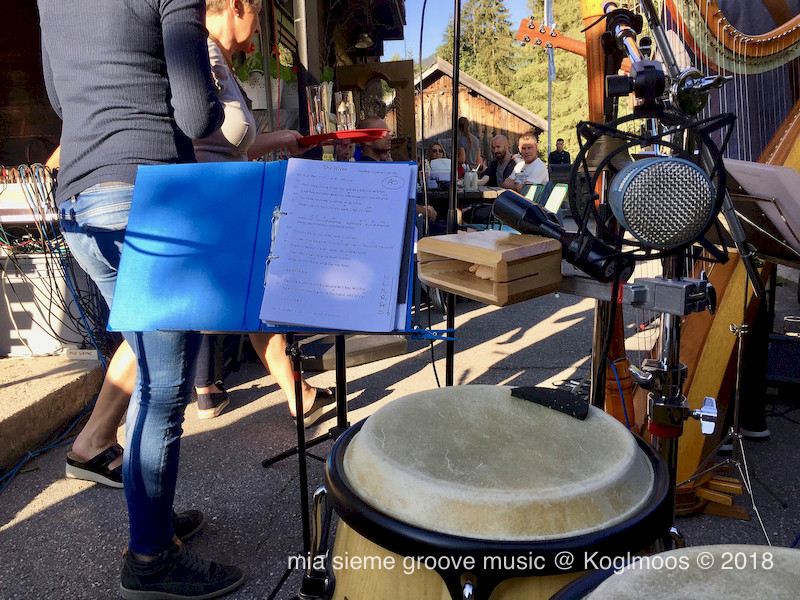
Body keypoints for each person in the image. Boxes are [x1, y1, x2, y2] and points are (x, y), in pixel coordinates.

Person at [38, 0, 245, 597]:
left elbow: (58, 98)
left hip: (78, 203)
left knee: (152, 366)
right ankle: (150, 557)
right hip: (145, 197)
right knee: (163, 387)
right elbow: (197, 112)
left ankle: (150, 518)